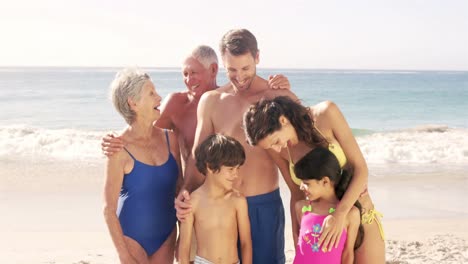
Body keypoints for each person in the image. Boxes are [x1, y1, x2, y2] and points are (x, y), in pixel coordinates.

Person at [176, 29, 303, 264]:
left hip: (262, 206)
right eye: (231, 70)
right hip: (220, 208)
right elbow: (197, 156)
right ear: (222, 64)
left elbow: (307, 145)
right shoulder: (212, 101)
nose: (240, 76)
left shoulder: (277, 97)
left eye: (245, 68)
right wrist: (185, 190)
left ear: (257, 57)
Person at [243, 96, 385, 263]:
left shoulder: (326, 114)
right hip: (321, 231)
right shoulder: (278, 149)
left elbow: (361, 170)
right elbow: (296, 194)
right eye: (270, 147)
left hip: (360, 216)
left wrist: (339, 216)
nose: (277, 148)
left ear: (283, 120)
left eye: (275, 141)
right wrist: (298, 239)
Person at [103, 68, 182, 263]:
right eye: (151, 93)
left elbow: (179, 188)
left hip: (167, 236)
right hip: (132, 239)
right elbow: (108, 209)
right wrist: (123, 254)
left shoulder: (170, 139)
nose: (159, 97)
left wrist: (186, 234)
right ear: (134, 103)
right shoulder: (119, 148)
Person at [179, 134, 252, 264]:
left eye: (237, 168)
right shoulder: (193, 202)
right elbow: (184, 249)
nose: (236, 174)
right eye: (230, 169)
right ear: (211, 167)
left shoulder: (238, 201)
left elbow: (246, 242)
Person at [292, 147, 363, 264]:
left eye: (306, 183)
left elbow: (347, 252)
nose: (301, 187)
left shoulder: (351, 214)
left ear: (325, 181)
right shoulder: (301, 208)